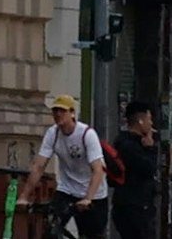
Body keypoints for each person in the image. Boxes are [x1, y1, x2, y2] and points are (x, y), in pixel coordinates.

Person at [18, 94, 110, 239]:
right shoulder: (52, 133)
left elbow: (98, 170)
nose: (58, 114)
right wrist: (24, 196)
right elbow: (39, 166)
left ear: (72, 113)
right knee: (52, 231)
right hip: (67, 190)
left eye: (62, 111)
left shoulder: (87, 134)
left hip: (94, 194)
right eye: (55, 111)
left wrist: (88, 198)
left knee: (91, 235)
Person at [111, 101, 163, 239]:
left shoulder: (123, 142)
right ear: (140, 120)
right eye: (149, 119)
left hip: (130, 205)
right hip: (135, 207)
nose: (151, 124)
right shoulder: (130, 146)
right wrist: (150, 149)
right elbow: (149, 168)